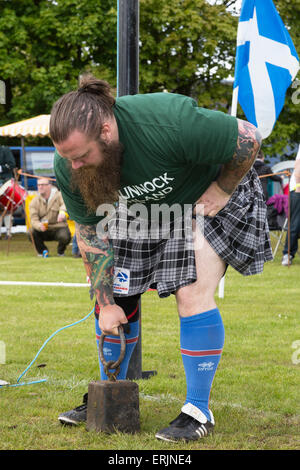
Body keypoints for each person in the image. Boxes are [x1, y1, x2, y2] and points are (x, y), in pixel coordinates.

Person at [49, 76, 272, 442]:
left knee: (191, 291)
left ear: (106, 131)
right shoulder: (71, 166)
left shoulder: (167, 122)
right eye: (67, 158)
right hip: (144, 211)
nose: (73, 167)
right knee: (118, 297)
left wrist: (222, 188)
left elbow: (248, 136)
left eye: (81, 155)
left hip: (207, 196)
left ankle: (198, 410)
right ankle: (112, 393)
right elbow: (91, 233)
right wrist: (104, 303)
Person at [29, 177, 71, 256]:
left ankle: (60, 251)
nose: (40, 187)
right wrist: (39, 225)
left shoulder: (59, 195)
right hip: (43, 229)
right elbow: (33, 219)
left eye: (43, 185)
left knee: (65, 236)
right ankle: (43, 252)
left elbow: (65, 204)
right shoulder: (34, 201)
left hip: (58, 227)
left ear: (49, 186)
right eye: (38, 185)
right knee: (31, 232)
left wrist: (62, 212)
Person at [282, 145, 300, 266]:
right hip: (298, 190)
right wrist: (298, 186)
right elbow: (298, 167)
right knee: (295, 224)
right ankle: (287, 254)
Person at [0, 145, 16, 239]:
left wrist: (1, 168)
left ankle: (8, 233)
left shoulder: (5, 150)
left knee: (7, 208)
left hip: (5, 182)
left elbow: (12, 164)